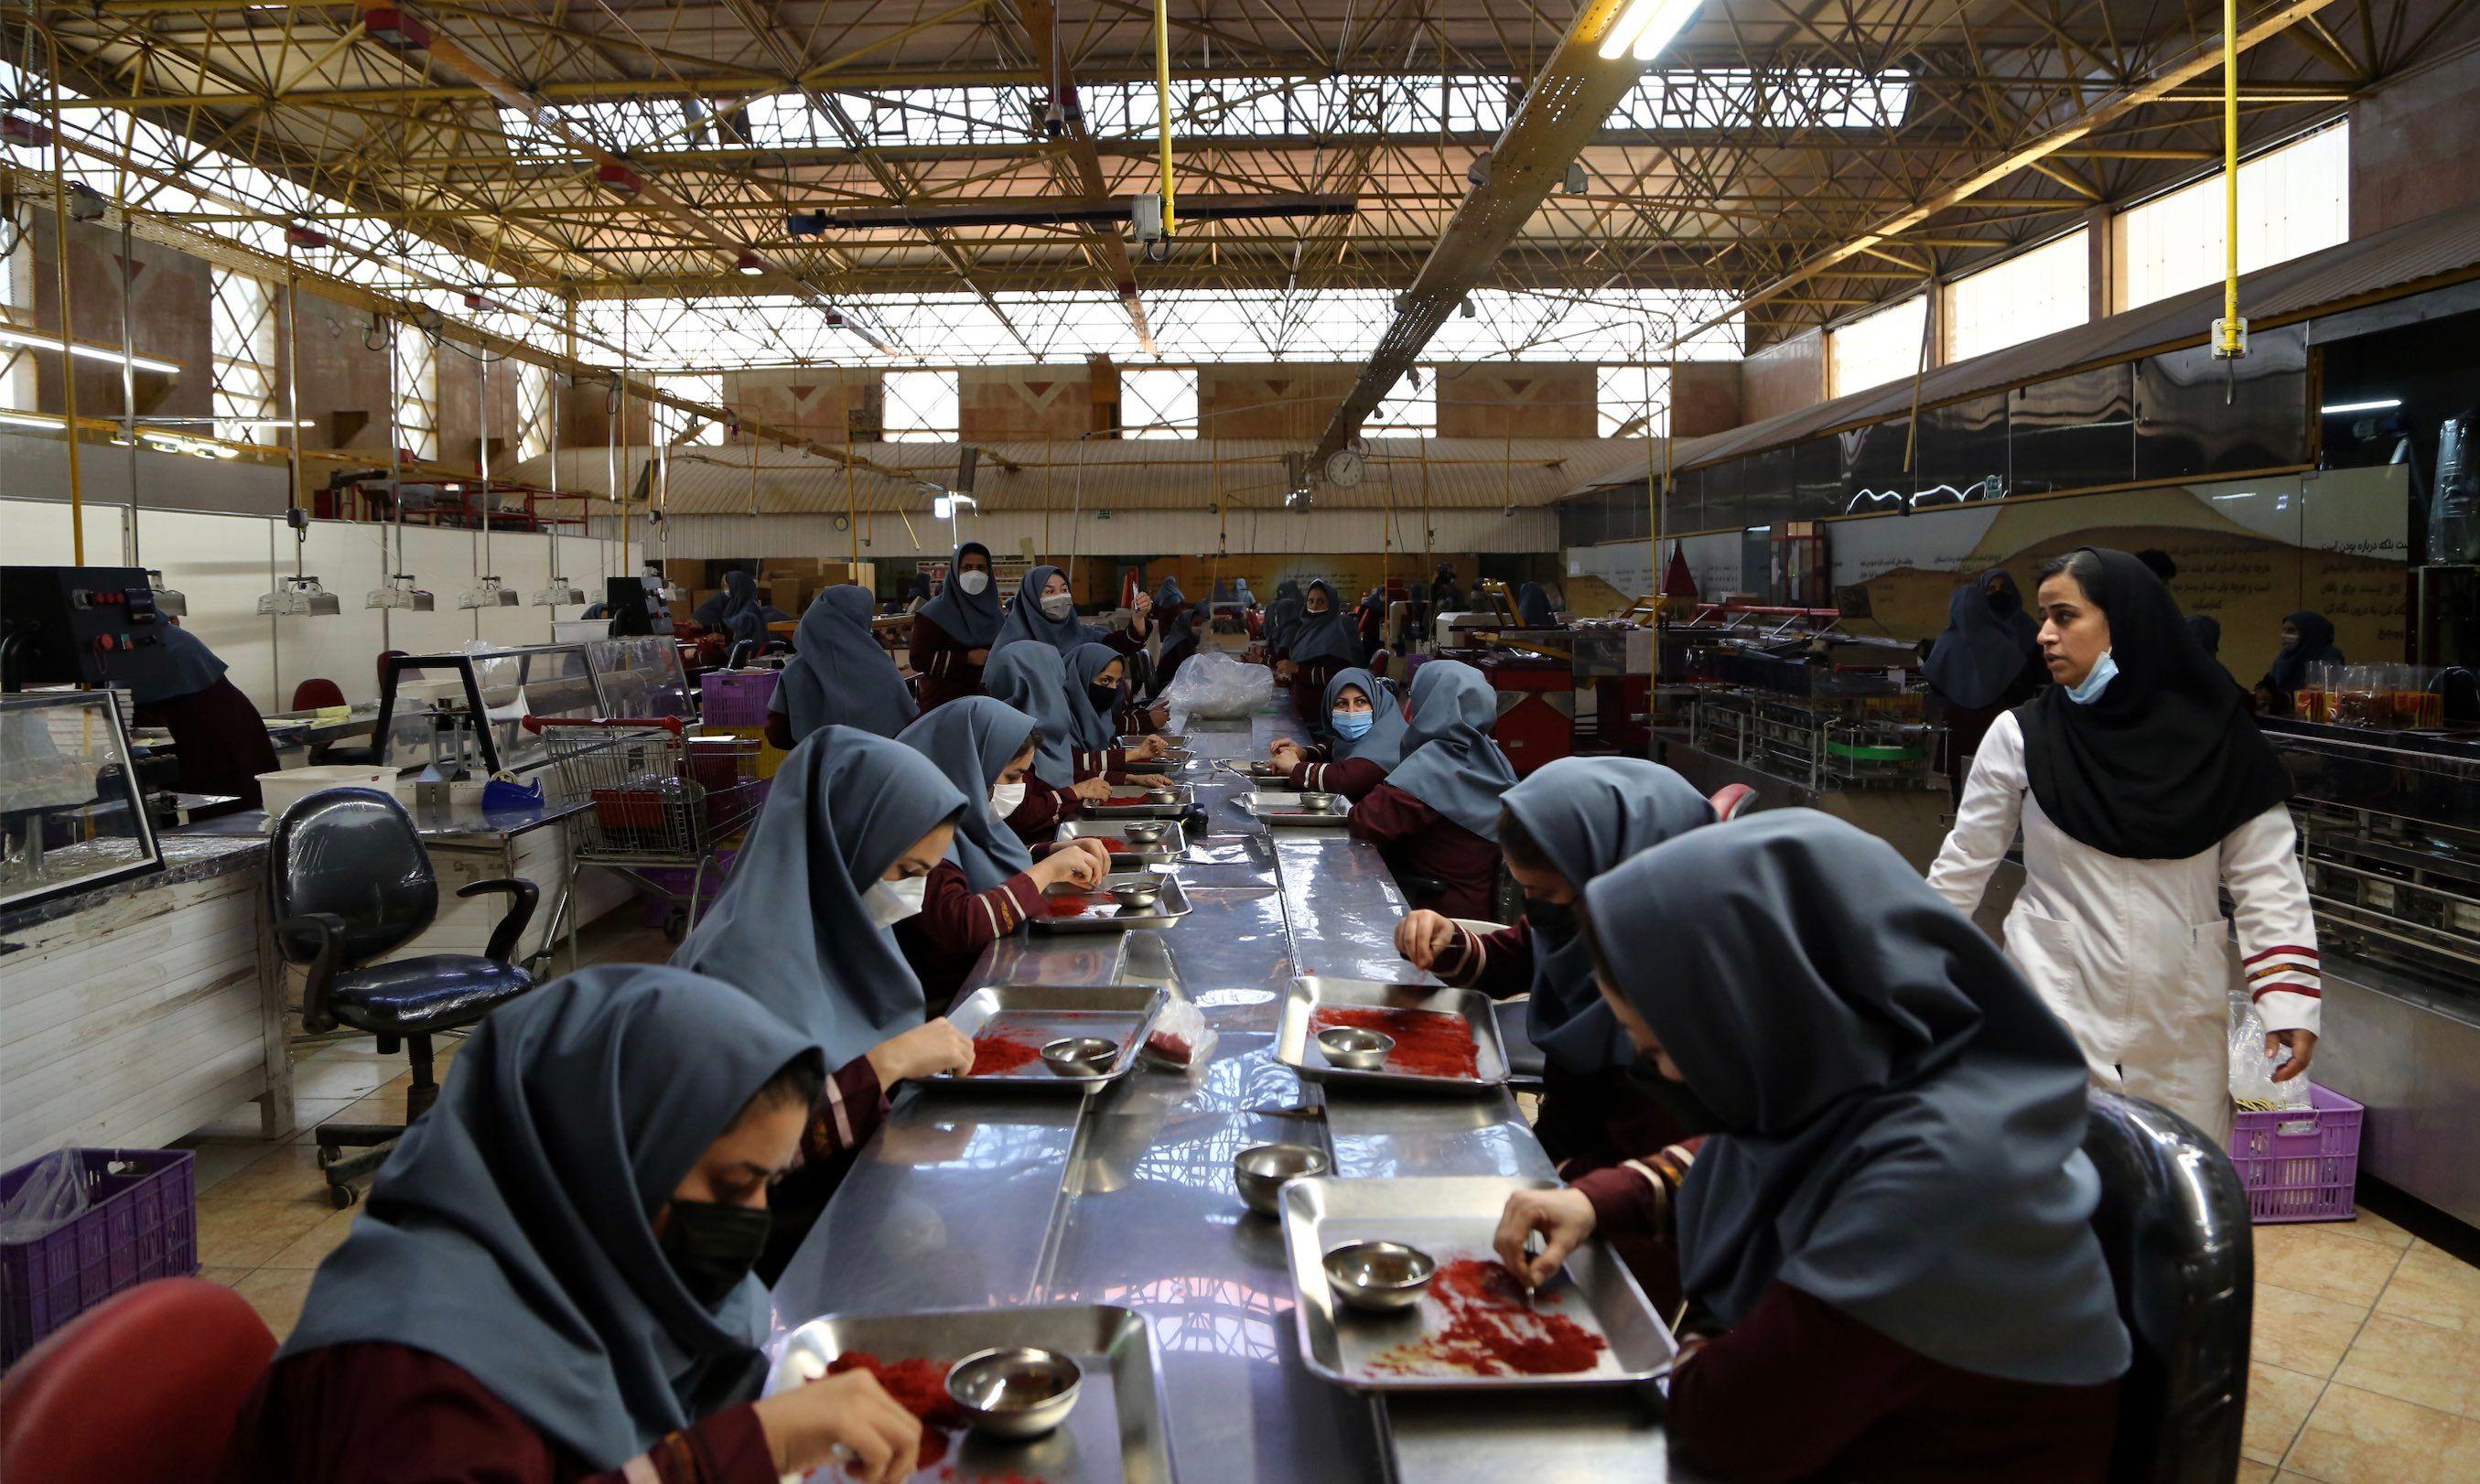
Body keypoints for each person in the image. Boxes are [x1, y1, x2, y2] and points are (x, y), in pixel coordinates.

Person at [1494, 812, 2129, 1482]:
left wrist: (1706, 1342)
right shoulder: (1876, 1074)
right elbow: (1746, 1158)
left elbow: (1726, 1422)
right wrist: (1597, 1202)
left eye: (1662, 1048)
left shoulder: (1942, 1177)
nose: (1668, 1075)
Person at [217, 965, 928, 1484]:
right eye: (733, 1185)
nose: (753, 1221)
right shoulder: (413, 1379)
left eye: (766, 1183)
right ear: (604, 1159)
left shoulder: (589, 1277)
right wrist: (735, 1454)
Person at [1928, 547, 2318, 1141]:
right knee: (2054, 1201)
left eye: (2065, 616)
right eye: (2044, 618)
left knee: (2173, 1205)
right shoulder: (2023, 738)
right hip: (2051, 1009)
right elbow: (1963, 865)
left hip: (2179, 1026)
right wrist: (1907, 970)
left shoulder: (2222, 745)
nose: (2045, 636)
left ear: (2125, 620)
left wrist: (2288, 1001)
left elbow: (2268, 882)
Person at [673, 728, 980, 1273]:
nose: (909, 896)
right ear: (846, 846)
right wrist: (888, 1063)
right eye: (906, 873)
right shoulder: (738, 968)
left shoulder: (849, 929)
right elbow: (729, 1162)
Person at [1395, 758, 1713, 1178]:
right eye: (1528, 891)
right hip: (1563, 1151)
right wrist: (1444, 941)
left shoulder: (1681, 1000)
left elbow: (1645, 1172)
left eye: (1544, 892)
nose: (1537, 907)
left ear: (1613, 872)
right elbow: (1510, 959)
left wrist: (1546, 1185)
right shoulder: (1579, 923)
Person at [893, 700, 1110, 1011]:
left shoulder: (964, 815)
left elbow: (981, 862)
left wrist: (1048, 853)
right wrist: (1046, 872)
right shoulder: (918, 825)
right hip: (944, 997)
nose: (1019, 789)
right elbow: (961, 924)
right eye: (1011, 777)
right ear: (969, 766)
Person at [1347, 660, 1517, 919]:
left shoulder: (1435, 764)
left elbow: (1366, 821)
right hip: (1481, 907)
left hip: (1438, 918)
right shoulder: (1491, 754)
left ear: (1432, 704)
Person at [1923, 566, 2043, 802]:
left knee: (1961, 795)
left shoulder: (1946, 644)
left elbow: (1935, 683)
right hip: (1999, 729)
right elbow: (2025, 681)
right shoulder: (2005, 645)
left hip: (1957, 730)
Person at [127, 624, 280, 810]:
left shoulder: (139, 642)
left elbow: (119, 707)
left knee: (231, 812)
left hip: (218, 734)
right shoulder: (149, 636)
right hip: (206, 730)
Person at [981, 641, 1113, 842]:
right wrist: (1074, 793)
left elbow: (1070, 765)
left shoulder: (1044, 727)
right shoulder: (1004, 735)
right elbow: (1019, 815)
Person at [766, 585, 916, 747]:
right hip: (877, 767)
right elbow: (906, 726)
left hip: (819, 768)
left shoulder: (797, 669)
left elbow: (776, 734)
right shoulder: (883, 669)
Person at [1268, 667, 1408, 796]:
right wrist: (1304, 753)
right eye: (1342, 703)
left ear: (1376, 703)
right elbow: (1335, 746)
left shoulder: (1387, 744)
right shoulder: (1369, 735)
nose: (1351, 711)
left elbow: (1346, 779)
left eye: (1361, 702)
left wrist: (1296, 768)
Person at [911, 543, 1004, 712]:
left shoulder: (996, 615)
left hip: (988, 705)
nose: (974, 574)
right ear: (955, 571)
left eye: (980, 568)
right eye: (967, 568)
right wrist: (966, 657)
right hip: (944, 706)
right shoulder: (932, 614)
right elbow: (919, 659)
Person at [988, 565, 1151, 660]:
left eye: (1064, 589)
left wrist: (1138, 618)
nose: (1060, 597)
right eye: (1050, 592)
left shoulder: (1080, 635)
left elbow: (1122, 645)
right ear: (1031, 599)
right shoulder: (1013, 647)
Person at [1275, 580, 1365, 727]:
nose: (1315, 606)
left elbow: (1336, 676)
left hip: (1322, 718)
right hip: (1302, 712)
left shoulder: (1336, 635)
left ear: (1331, 604)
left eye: (1321, 601)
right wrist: (1288, 676)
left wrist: (1297, 669)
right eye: (1311, 601)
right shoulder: (1304, 630)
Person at [2254, 609, 2345, 716]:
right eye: (2284, 630)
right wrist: (2262, 691)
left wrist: (2285, 699)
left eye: (2291, 631)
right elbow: (2269, 682)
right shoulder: (2285, 657)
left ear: (2309, 633)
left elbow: (2321, 695)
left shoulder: (2329, 658)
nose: (2284, 635)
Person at [692, 571, 789, 645]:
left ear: (738, 589)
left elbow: (743, 646)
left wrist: (723, 639)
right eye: (722, 587)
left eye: (726, 587)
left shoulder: (747, 616)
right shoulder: (742, 609)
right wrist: (704, 626)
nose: (724, 592)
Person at [1152, 607, 1209, 696]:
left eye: (1200, 624)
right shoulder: (1182, 642)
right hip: (1166, 688)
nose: (1198, 627)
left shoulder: (1173, 637)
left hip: (1166, 683)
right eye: (1195, 624)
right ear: (1186, 624)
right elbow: (1188, 668)